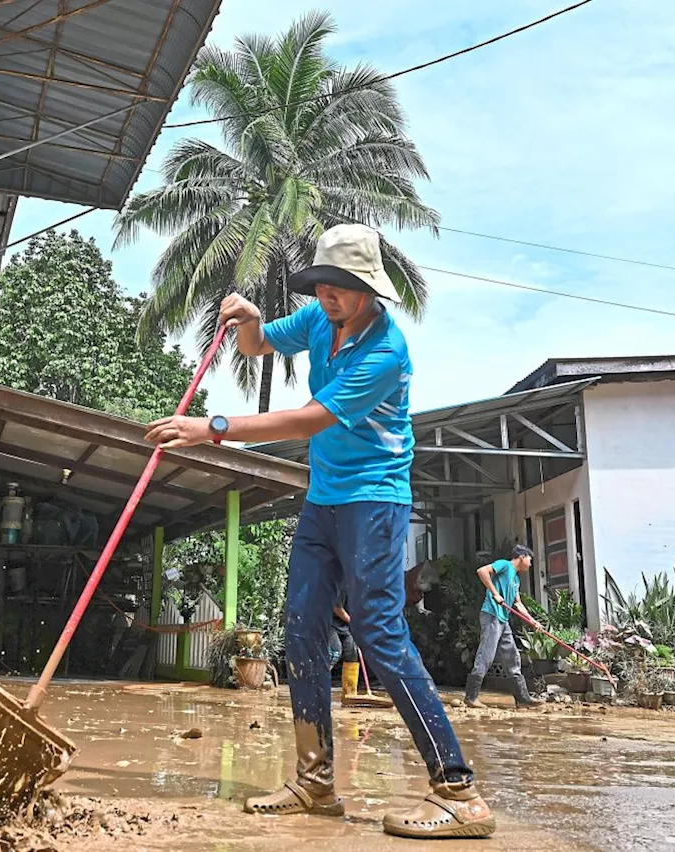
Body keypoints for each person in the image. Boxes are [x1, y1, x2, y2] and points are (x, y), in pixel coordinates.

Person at [144, 223, 495, 839]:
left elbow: (311, 419)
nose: (327, 296)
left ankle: (458, 791)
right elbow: (255, 347)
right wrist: (250, 318)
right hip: (324, 500)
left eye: (339, 287)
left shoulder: (386, 351)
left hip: (374, 503)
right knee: (302, 631)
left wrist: (212, 428)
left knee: (380, 634)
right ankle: (314, 782)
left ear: (368, 288)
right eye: (321, 284)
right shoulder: (317, 320)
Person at [466, 545, 545, 709]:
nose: (530, 564)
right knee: (486, 656)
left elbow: (518, 604)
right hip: (492, 615)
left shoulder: (515, 579)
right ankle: (471, 697)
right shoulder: (505, 565)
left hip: (503, 620)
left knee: (512, 658)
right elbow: (482, 571)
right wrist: (495, 593)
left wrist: (532, 621)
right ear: (522, 556)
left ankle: (522, 699)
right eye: (530, 559)